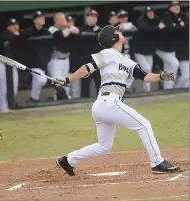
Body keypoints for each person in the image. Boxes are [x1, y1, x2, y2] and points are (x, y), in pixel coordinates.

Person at [55, 25, 180, 176]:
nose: (121, 33)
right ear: (112, 38)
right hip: (109, 102)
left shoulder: (126, 60)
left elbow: (145, 76)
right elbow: (87, 68)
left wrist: (160, 76)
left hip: (104, 105)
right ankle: (157, 162)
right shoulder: (107, 53)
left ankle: (68, 160)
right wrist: (68, 79)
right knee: (144, 125)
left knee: (104, 147)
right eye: (117, 32)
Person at [48, 12, 80, 99]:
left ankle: (65, 99)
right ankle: (57, 99)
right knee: (58, 83)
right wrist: (68, 30)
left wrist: (68, 28)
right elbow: (60, 35)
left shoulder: (67, 27)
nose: (65, 20)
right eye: (62, 19)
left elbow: (77, 30)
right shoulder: (52, 28)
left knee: (65, 82)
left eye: (64, 19)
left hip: (66, 59)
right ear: (56, 21)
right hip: (56, 60)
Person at [134, 6, 165, 92]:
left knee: (149, 71)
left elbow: (163, 26)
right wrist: (159, 28)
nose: (151, 13)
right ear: (145, 13)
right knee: (146, 69)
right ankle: (143, 89)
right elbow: (148, 30)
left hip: (149, 51)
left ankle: (147, 90)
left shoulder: (156, 20)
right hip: (139, 51)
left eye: (152, 12)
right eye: (148, 12)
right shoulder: (141, 20)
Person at [155, 1, 184, 90]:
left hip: (170, 48)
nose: (176, 7)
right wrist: (179, 25)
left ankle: (167, 87)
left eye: (177, 5)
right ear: (170, 8)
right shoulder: (167, 15)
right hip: (162, 48)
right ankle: (169, 85)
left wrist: (176, 26)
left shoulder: (178, 16)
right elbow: (171, 29)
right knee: (175, 64)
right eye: (174, 6)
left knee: (168, 67)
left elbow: (176, 29)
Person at [24, 11, 52, 102]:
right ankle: (33, 97)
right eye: (39, 18)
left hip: (43, 62)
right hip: (32, 62)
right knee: (42, 80)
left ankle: (33, 98)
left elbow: (50, 46)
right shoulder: (28, 32)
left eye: (43, 17)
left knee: (37, 81)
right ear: (34, 20)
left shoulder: (46, 31)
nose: (42, 19)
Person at [0, 18, 20, 112]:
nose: (15, 27)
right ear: (8, 27)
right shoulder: (4, 35)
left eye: (16, 25)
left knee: (14, 86)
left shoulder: (17, 35)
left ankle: (11, 105)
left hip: (12, 64)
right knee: (3, 87)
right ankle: (3, 107)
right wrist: (16, 36)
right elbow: (7, 37)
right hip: (2, 63)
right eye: (13, 25)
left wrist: (18, 36)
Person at [80, 10, 102, 98]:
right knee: (85, 82)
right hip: (86, 58)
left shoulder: (100, 29)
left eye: (95, 17)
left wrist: (97, 32)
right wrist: (94, 33)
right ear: (87, 18)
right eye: (91, 17)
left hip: (98, 58)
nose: (93, 19)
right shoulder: (82, 28)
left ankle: (101, 101)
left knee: (99, 81)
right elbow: (82, 36)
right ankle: (84, 101)